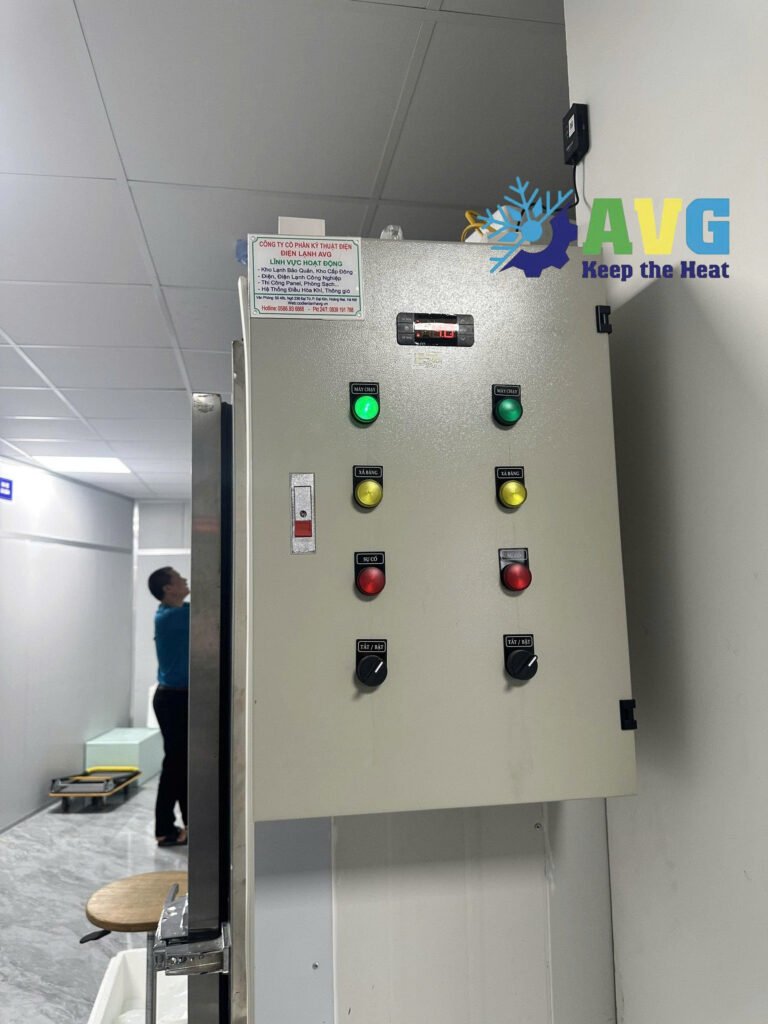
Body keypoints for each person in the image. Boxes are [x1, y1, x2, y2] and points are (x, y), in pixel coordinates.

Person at [147, 566, 190, 847]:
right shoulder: (172, 617)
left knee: (182, 764)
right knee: (175, 765)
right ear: (168, 588)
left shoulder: (177, 611)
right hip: (173, 700)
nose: (185, 580)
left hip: (178, 698)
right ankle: (164, 828)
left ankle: (188, 823)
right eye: (179, 578)